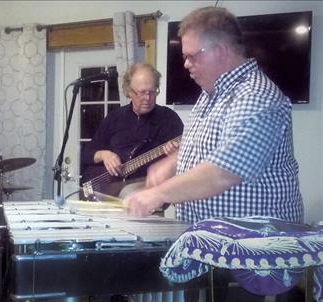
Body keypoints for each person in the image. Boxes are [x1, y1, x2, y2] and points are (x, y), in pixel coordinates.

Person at [123, 6, 304, 302]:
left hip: (251, 256)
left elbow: (223, 171)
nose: (186, 64)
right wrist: (171, 164)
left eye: (193, 55)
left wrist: (157, 195)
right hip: (217, 249)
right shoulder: (211, 96)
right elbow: (204, 148)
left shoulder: (256, 96)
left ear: (220, 50)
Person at [81, 63, 184, 199]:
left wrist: (175, 155)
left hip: (148, 189)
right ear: (129, 91)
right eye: (141, 92)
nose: (147, 98)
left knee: (129, 194)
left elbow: (186, 161)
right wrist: (104, 155)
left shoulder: (169, 119)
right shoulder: (115, 118)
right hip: (107, 189)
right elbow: (86, 154)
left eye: (152, 92)